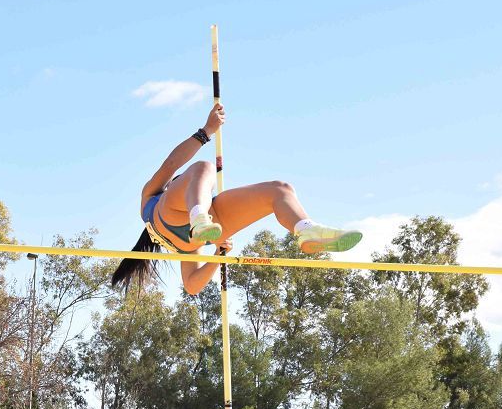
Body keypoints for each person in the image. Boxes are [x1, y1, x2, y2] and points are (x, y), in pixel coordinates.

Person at [111, 104, 363, 294]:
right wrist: (206, 131)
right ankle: (198, 215)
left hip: (200, 230)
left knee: (280, 189)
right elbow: (173, 165)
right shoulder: (151, 199)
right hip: (178, 219)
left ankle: (306, 230)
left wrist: (219, 254)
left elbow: (191, 285)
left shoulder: (193, 236)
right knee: (203, 168)